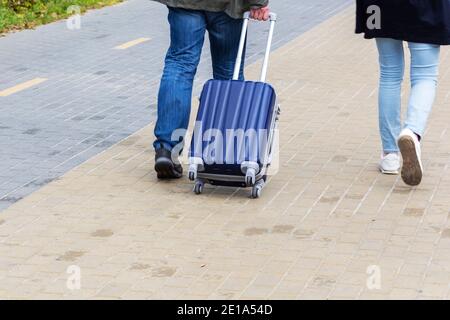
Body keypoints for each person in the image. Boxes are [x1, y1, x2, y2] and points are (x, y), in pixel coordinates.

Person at [151, 0, 270, 179]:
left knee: (180, 67)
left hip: (185, 3)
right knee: (229, 72)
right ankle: (227, 152)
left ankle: (166, 150)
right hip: (228, 6)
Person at [356, 0, 450, 186]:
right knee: (425, 74)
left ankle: (390, 155)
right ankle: (412, 132)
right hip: (425, 6)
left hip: (381, 5)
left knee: (389, 73)